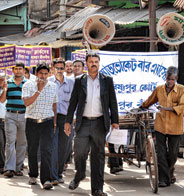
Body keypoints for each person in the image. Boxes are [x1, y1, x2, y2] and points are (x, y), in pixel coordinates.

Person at [64, 53, 119, 196]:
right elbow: (73, 102)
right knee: (80, 152)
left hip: (100, 123)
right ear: (86, 64)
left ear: (99, 64)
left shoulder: (107, 81)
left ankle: (97, 188)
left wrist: (115, 121)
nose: (94, 64)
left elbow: (113, 102)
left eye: (96, 62)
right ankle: (80, 174)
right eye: (91, 62)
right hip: (83, 122)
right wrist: (68, 121)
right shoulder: (79, 81)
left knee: (98, 156)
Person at [141, 66, 184, 187]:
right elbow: (150, 100)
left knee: (173, 153)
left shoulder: (181, 89)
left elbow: (181, 107)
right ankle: (162, 179)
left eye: (172, 79)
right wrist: (142, 106)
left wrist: (165, 108)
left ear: (175, 78)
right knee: (160, 153)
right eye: (168, 78)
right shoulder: (159, 89)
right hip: (160, 125)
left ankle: (169, 173)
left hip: (175, 127)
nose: (169, 81)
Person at [22, 62, 58, 190]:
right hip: (32, 121)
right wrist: (39, 90)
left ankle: (46, 179)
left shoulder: (53, 86)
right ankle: (33, 174)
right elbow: (26, 103)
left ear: (49, 74)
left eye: (45, 73)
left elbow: (54, 104)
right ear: (36, 74)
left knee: (46, 150)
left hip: (47, 121)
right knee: (32, 150)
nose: (43, 76)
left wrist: (54, 122)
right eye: (40, 73)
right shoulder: (27, 85)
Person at [48, 58, 75, 185]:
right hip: (51, 117)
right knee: (53, 146)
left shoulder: (71, 82)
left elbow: (76, 101)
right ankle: (53, 175)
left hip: (65, 119)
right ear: (53, 69)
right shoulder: (47, 82)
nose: (59, 70)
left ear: (65, 69)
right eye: (57, 68)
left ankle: (59, 173)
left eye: (61, 68)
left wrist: (73, 117)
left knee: (64, 147)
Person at [0, 62, 27, 178]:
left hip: (24, 115)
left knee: (22, 142)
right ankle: (9, 168)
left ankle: (18, 167)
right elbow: (1, 100)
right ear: (13, 70)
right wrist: (4, 89)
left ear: (24, 70)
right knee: (10, 142)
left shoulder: (28, 84)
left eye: (20, 69)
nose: (19, 71)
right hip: (10, 115)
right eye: (16, 69)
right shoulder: (8, 83)